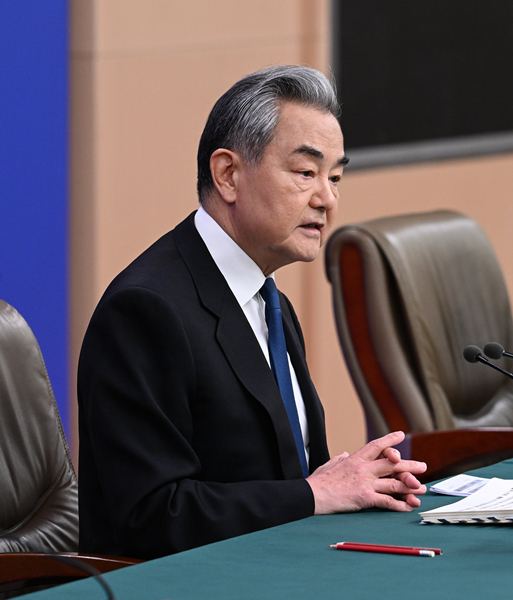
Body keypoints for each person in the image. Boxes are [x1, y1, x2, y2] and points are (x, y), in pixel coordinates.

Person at [76, 66, 426, 559]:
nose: (327, 199)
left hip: (286, 563)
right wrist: (315, 493)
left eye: (335, 177)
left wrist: (358, 481)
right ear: (228, 175)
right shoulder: (145, 310)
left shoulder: (269, 300)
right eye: (306, 173)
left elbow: (291, 477)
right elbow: (150, 515)